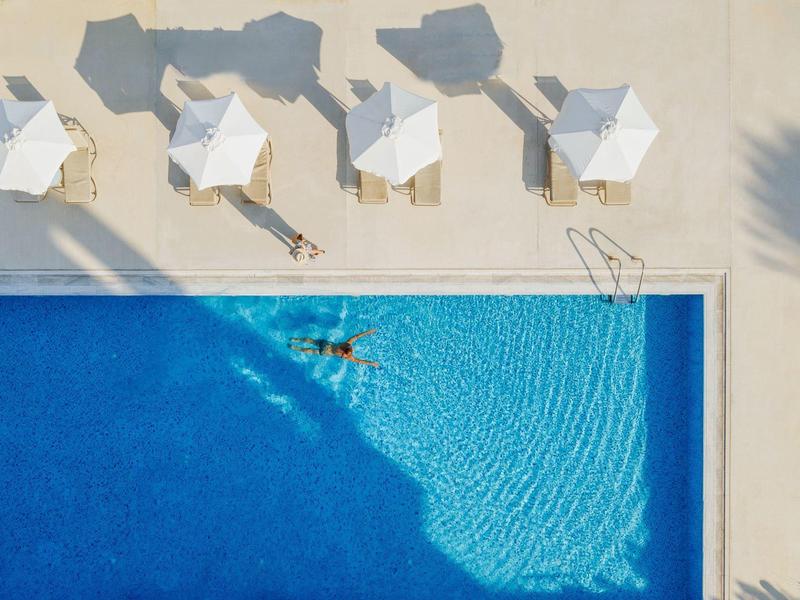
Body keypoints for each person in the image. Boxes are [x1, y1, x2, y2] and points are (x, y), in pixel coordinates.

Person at [289, 329, 379, 367]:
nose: (343, 357)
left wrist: (372, 363)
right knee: (311, 341)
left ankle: (295, 348)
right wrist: (368, 332)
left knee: (307, 350)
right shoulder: (347, 343)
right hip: (327, 344)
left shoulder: (349, 357)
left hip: (326, 353)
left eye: (345, 356)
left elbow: (360, 361)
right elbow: (357, 336)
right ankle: (296, 339)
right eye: (344, 354)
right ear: (344, 349)